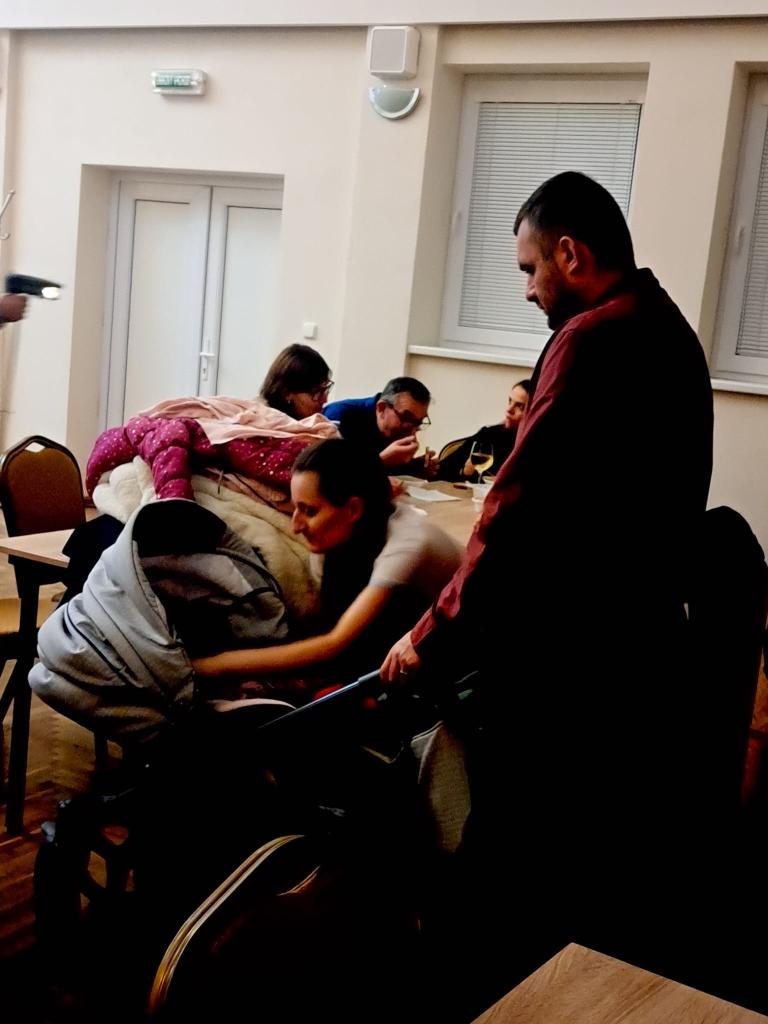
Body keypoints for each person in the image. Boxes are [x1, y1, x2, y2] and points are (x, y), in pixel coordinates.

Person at [381, 171, 716, 1015]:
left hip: (568, 658)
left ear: (570, 253)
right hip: (643, 644)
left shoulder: (589, 337)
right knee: (590, 862)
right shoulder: (672, 330)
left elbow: (514, 512)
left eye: (531, 268)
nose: (529, 289)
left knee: (508, 860)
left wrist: (428, 632)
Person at [192, 437, 461, 696]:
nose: (295, 526)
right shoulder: (346, 535)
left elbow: (334, 642)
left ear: (353, 509)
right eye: (295, 509)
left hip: (460, 648)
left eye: (309, 511)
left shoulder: (409, 543)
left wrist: (213, 665)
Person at [323, 376, 437, 477]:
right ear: (381, 408)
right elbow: (330, 476)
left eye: (418, 423)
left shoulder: (395, 428)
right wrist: (381, 461)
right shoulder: (340, 416)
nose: (412, 431)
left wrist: (413, 468)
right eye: (406, 418)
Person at [437, 379, 530, 482]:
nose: (509, 409)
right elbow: (441, 470)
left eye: (520, 406)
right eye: (510, 401)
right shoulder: (488, 435)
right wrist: (463, 473)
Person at [260, 343, 334, 418]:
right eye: (317, 392)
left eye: (325, 390)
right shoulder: (263, 422)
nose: (325, 400)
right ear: (286, 393)